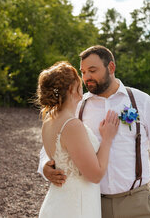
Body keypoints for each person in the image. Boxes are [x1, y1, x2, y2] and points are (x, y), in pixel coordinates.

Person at [38, 46, 150, 218]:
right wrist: (45, 168)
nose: (86, 77)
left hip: (137, 202)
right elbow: (54, 145)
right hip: (92, 204)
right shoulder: (77, 106)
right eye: (83, 72)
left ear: (111, 68)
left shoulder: (142, 101)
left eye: (92, 70)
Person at [36, 61, 119, 218]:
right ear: (71, 89)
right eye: (79, 81)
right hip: (75, 207)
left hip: (58, 201)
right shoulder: (72, 125)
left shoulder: (49, 120)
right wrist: (107, 138)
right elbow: (95, 175)